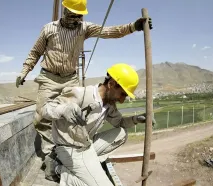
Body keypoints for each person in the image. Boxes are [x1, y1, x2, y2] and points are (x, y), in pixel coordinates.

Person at [15, 0, 153, 170]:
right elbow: (35, 52)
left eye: (79, 16)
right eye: (72, 15)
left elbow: (109, 32)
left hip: (70, 79)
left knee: (73, 115)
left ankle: (71, 150)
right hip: (49, 78)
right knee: (41, 119)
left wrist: (133, 27)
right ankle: (51, 153)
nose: (75, 19)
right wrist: (24, 71)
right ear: (64, 10)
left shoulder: (84, 28)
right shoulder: (48, 29)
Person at [41, 63, 156, 185]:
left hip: (86, 145)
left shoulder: (109, 105)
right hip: (70, 149)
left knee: (121, 133)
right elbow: (45, 109)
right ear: (111, 84)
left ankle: (88, 167)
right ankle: (58, 170)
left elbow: (120, 122)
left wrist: (137, 119)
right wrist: (63, 110)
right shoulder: (81, 94)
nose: (122, 100)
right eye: (122, 94)